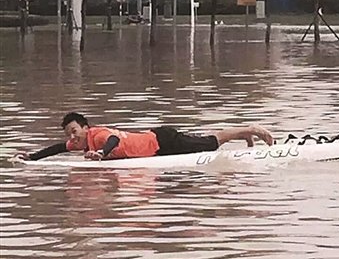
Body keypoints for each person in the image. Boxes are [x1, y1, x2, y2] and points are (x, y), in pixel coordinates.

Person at [14, 112, 273, 161]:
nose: (72, 137)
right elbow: (58, 148)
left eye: (74, 131)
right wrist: (32, 157)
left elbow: (113, 142)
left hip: (162, 140)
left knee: (211, 142)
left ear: (85, 128)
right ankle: (245, 137)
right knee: (208, 147)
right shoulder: (77, 142)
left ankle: (251, 130)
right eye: (70, 133)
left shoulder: (99, 135)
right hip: (158, 150)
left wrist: (101, 155)